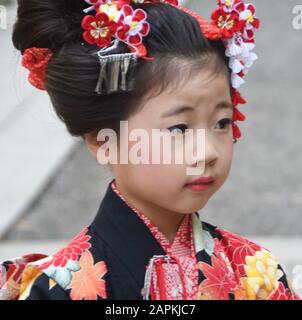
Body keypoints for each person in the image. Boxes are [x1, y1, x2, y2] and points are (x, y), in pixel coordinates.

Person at [0, 0, 299, 300]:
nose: (208, 152)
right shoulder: (60, 289)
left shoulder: (256, 273)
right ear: (103, 141)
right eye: (179, 129)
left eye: (222, 122)